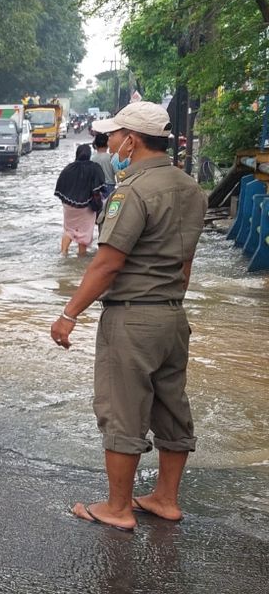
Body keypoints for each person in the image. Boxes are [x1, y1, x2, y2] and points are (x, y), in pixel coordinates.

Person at [50, 101, 207, 532]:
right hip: (173, 316)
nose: (109, 142)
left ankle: (118, 507)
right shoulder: (190, 188)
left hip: (132, 319)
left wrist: (69, 313)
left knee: (122, 410)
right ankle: (165, 499)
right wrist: (169, 299)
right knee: (172, 407)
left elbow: (108, 263)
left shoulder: (132, 191)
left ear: (132, 141)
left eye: (114, 136)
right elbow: (185, 263)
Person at [55, 143, 106, 257]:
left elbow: (61, 187)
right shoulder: (94, 168)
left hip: (69, 206)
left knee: (69, 230)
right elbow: (98, 189)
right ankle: (81, 256)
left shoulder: (69, 168)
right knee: (85, 231)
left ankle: (63, 252)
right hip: (86, 207)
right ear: (89, 154)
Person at [92, 132, 117, 199]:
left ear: (95, 145)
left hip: (96, 187)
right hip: (110, 186)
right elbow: (117, 172)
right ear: (107, 144)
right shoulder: (111, 158)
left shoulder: (92, 159)